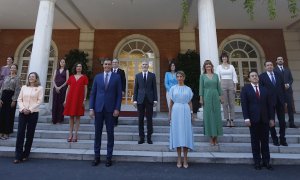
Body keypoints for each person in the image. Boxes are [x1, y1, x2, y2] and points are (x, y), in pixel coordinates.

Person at [89, 59, 122, 167]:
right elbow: (93, 93)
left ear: (112, 66)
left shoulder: (116, 77)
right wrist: (91, 108)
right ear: (103, 65)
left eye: (109, 64)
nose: (107, 66)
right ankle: (96, 157)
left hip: (110, 110)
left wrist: (117, 108)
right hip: (98, 109)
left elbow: (118, 95)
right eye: (106, 64)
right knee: (97, 134)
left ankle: (109, 158)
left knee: (110, 134)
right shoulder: (97, 77)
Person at [241, 71, 275, 170]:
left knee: (265, 142)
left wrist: (272, 118)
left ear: (258, 78)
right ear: (249, 78)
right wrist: (246, 118)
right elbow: (244, 105)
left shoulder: (265, 89)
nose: (255, 77)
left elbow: (270, 106)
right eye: (252, 76)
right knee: (255, 142)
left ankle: (266, 162)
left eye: (256, 76)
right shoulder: (245, 89)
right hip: (253, 120)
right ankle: (257, 162)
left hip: (265, 120)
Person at [14, 72, 43, 164]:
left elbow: (39, 101)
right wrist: (22, 108)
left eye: (33, 76)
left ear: (36, 78)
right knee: (20, 134)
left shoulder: (39, 88)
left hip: (33, 113)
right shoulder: (24, 87)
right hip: (23, 112)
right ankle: (18, 156)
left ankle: (26, 154)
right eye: (30, 76)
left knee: (30, 134)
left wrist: (30, 109)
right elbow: (19, 99)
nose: (31, 78)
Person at [169, 71, 194, 168]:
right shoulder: (173, 88)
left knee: (186, 134)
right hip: (176, 111)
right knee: (178, 134)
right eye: (178, 76)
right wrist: (169, 115)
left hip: (186, 111)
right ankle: (179, 158)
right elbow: (171, 103)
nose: (179, 78)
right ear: (176, 78)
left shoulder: (188, 89)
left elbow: (190, 103)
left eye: (181, 76)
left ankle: (185, 159)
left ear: (184, 77)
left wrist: (192, 114)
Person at [259, 61, 287, 146]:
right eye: (268, 65)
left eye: (271, 65)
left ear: (273, 66)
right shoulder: (262, 77)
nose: (270, 66)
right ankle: (275, 139)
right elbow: (261, 91)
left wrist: (285, 101)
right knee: (271, 122)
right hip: (269, 102)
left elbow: (283, 89)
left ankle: (282, 138)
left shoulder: (279, 75)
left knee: (282, 122)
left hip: (280, 101)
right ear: (265, 67)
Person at [199, 60, 223, 146]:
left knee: (216, 115)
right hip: (207, 96)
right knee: (208, 116)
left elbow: (218, 87)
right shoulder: (202, 76)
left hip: (216, 96)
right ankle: (211, 137)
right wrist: (201, 98)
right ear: (204, 67)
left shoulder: (216, 76)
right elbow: (201, 87)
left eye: (209, 65)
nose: (208, 66)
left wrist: (221, 97)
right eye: (206, 65)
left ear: (212, 66)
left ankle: (216, 136)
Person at [133, 61, 158, 144]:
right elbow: (136, 89)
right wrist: (135, 100)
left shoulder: (152, 75)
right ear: (141, 66)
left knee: (149, 119)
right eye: (143, 64)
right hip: (140, 100)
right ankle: (141, 138)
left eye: (146, 64)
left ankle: (149, 138)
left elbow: (154, 88)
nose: (144, 66)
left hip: (149, 99)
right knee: (140, 119)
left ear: (148, 66)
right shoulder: (138, 76)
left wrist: (155, 99)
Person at [63, 63, 88, 143]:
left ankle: (75, 134)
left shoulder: (84, 77)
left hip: (79, 99)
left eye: (80, 66)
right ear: (75, 68)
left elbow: (85, 89)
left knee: (78, 117)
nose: (79, 68)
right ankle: (70, 134)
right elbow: (68, 88)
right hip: (71, 98)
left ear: (82, 68)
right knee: (71, 117)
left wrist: (84, 99)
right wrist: (65, 100)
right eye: (77, 66)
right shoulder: (71, 77)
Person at [274, 56, 297, 128]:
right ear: (276, 61)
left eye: (281, 59)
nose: (280, 60)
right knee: (281, 108)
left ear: (283, 61)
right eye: (278, 59)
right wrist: (282, 86)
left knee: (290, 107)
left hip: (288, 92)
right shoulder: (274, 70)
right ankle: (282, 123)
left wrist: (288, 84)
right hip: (280, 92)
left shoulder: (287, 69)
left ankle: (291, 123)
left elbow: (291, 79)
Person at [216, 53, 238, 127]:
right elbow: (218, 78)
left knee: (232, 103)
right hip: (222, 84)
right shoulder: (219, 67)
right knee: (224, 104)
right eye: (223, 57)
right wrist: (218, 88)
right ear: (221, 58)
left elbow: (234, 76)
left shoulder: (231, 66)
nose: (224, 58)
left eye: (225, 57)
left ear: (227, 58)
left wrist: (235, 87)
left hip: (231, 83)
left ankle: (232, 119)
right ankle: (227, 120)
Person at [0, 64, 21, 140]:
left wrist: (14, 100)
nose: (12, 69)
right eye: (11, 68)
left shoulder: (18, 78)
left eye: (14, 68)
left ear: (16, 69)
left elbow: (17, 90)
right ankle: (1, 131)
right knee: (2, 115)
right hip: (3, 97)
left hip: (11, 97)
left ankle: (6, 132)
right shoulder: (6, 77)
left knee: (9, 115)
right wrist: (0, 98)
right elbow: (2, 88)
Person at [52, 58, 69, 124]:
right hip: (55, 88)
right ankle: (54, 119)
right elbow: (53, 80)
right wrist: (56, 87)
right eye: (61, 62)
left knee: (61, 103)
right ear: (59, 63)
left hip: (63, 88)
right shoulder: (56, 70)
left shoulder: (66, 70)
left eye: (63, 62)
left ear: (65, 63)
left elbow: (67, 80)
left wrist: (60, 87)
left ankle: (60, 119)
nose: (62, 63)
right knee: (55, 103)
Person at [111, 58, 126, 126]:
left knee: (117, 106)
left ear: (118, 64)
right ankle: (109, 120)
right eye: (113, 63)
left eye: (116, 62)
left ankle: (115, 121)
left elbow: (123, 82)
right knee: (110, 106)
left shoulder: (121, 71)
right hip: (110, 92)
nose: (114, 64)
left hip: (118, 92)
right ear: (112, 64)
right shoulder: (109, 71)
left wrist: (123, 90)